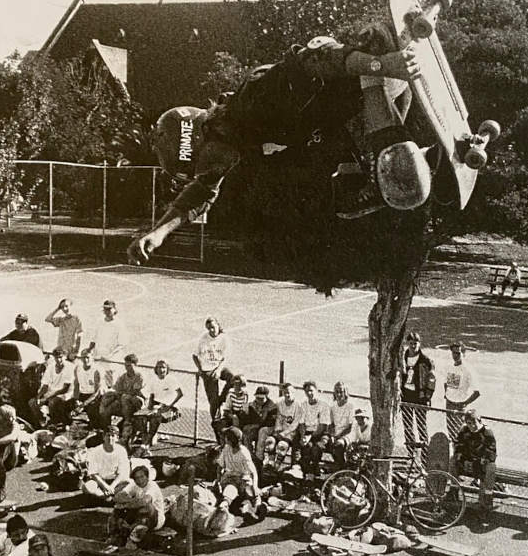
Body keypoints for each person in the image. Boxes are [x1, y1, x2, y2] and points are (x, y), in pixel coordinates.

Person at [127, 26, 428, 263]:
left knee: (392, 180)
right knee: (357, 192)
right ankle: (423, 158)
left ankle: (392, 150)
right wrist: (159, 233)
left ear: (206, 134)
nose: (214, 172)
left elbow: (317, 53)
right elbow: (200, 194)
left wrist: (380, 64)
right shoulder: (236, 144)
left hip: (372, 69)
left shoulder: (252, 102)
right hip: (382, 102)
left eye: (205, 165)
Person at [449, 409, 497, 514]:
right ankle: (453, 490)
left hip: (480, 462)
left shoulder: (487, 432)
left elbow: (491, 452)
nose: (472, 426)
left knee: (491, 467)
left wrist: (478, 461)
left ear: (479, 421)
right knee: (452, 460)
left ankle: (487, 496)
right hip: (468, 461)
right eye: (469, 423)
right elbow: (458, 445)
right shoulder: (464, 430)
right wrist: (462, 459)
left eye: (474, 422)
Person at [107, 464, 165, 549]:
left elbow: (144, 501)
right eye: (137, 478)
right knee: (117, 508)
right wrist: (127, 503)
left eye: (142, 476)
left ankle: (132, 540)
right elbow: (117, 497)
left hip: (154, 518)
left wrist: (126, 504)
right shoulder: (134, 485)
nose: (140, 480)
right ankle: (113, 536)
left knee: (147, 507)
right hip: (139, 515)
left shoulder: (152, 486)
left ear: (147, 476)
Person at [192, 316, 233, 419]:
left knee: (233, 379)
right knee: (213, 402)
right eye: (209, 328)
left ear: (218, 326)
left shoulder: (224, 338)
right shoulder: (203, 338)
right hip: (207, 369)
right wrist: (201, 370)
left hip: (219, 366)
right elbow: (195, 355)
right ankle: (216, 423)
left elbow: (225, 357)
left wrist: (218, 370)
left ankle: (221, 399)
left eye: (213, 327)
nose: (211, 330)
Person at [399, 331, 435, 445]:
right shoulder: (402, 358)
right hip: (406, 395)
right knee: (408, 426)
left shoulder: (426, 360)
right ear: (407, 343)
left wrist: (428, 396)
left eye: (415, 343)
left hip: (420, 396)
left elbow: (432, 379)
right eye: (411, 343)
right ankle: (411, 454)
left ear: (419, 343)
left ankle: (425, 455)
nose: (413, 346)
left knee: (421, 426)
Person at [86, 300, 128, 388]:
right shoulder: (99, 322)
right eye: (105, 309)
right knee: (98, 382)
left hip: (111, 361)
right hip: (98, 358)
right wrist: (89, 350)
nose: (107, 311)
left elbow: (121, 344)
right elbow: (94, 339)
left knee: (111, 384)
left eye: (109, 309)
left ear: (114, 309)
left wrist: (109, 356)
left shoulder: (119, 324)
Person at [443, 341, 480, 440]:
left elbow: (477, 392)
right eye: (453, 353)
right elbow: (446, 382)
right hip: (449, 404)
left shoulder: (468, 370)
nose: (455, 356)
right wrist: (446, 395)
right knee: (451, 433)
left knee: (461, 433)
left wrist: (465, 403)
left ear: (464, 353)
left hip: (460, 406)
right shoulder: (450, 367)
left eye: (458, 353)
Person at [99, 353, 145, 433]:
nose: (127, 368)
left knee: (125, 397)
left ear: (136, 365)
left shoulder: (140, 376)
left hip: (136, 402)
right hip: (124, 401)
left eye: (130, 366)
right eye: (126, 366)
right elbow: (116, 388)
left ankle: (127, 424)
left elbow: (135, 392)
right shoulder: (124, 376)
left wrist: (121, 393)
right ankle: (107, 432)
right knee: (107, 406)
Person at [81, 427, 131, 501]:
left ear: (117, 438)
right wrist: (106, 487)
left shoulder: (121, 450)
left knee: (130, 482)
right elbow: (93, 473)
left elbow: (121, 473)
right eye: (108, 435)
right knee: (87, 487)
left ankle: (105, 496)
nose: (110, 438)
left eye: (113, 435)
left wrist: (111, 487)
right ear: (103, 437)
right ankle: (108, 496)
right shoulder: (96, 451)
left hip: (115, 481)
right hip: (100, 482)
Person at [216, 426, 260, 511]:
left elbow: (253, 472)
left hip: (243, 478)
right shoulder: (226, 449)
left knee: (249, 490)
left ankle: (258, 505)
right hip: (230, 478)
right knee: (230, 489)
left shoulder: (243, 452)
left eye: (226, 437)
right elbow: (219, 466)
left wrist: (255, 486)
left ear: (229, 440)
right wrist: (218, 480)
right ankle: (225, 504)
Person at [29, 347, 75, 426]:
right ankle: (42, 421)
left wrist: (47, 398)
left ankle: (56, 422)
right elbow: (45, 385)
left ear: (65, 357)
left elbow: (65, 388)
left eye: (60, 357)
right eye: (56, 357)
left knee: (52, 402)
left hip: (65, 393)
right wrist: (38, 397)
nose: (58, 360)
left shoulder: (70, 367)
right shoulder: (51, 367)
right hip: (51, 392)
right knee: (32, 402)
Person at [143, 359, 183, 441]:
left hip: (172, 409)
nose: (161, 370)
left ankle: (147, 442)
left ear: (167, 369)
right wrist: (149, 408)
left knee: (155, 418)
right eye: (159, 367)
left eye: (163, 367)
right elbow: (152, 396)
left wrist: (169, 406)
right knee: (141, 418)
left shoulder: (171, 380)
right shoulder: (153, 380)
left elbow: (180, 394)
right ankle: (146, 437)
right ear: (156, 369)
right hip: (158, 407)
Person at [241, 385, 277, 459]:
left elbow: (270, 422)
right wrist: (244, 412)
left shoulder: (272, 406)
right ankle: (249, 456)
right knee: (246, 432)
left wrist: (256, 425)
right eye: (257, 398)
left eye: (261, 398)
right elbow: (248, 420)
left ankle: (258, 458)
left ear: (266, 397)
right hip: (257, 427)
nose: (259, 400)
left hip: (268, 429)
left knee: (262, 431)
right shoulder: (252, 405)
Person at [73, 348, 103, 427]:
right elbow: (76, 385)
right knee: (67, 405)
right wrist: (76, 400)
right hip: (83, 394)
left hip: (95, 397)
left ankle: (95, 427)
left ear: (92, 358)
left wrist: (83, 405)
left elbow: (97, 392)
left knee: (92, 410)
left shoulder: (97, 370)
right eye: (83, 357)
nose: (85, 360)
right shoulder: (78, 368)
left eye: (87, 357)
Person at [329, 382, 357, 466]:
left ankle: (341, 468)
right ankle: (337, 467)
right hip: (336, 434)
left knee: (339, 445)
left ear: (345, 393)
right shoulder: (333, 407)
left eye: (341, 392)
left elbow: (350, 427)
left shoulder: (350, 406)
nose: (339, 394)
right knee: (327, 444)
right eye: (337, 392)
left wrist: (339, 436)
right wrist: (332, 436)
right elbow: (332, 425)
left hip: (348, 434)